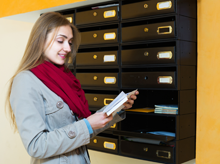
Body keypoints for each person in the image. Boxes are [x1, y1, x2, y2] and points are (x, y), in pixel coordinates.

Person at [5, 12, 139, 164]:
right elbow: (36, 146)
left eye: (69, 42)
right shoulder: (25, 81)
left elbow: (83, 130)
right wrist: (87, 125)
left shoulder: (65, 78)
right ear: (40, 40)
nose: (68, 48)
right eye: (61, 41)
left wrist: (115, 109)